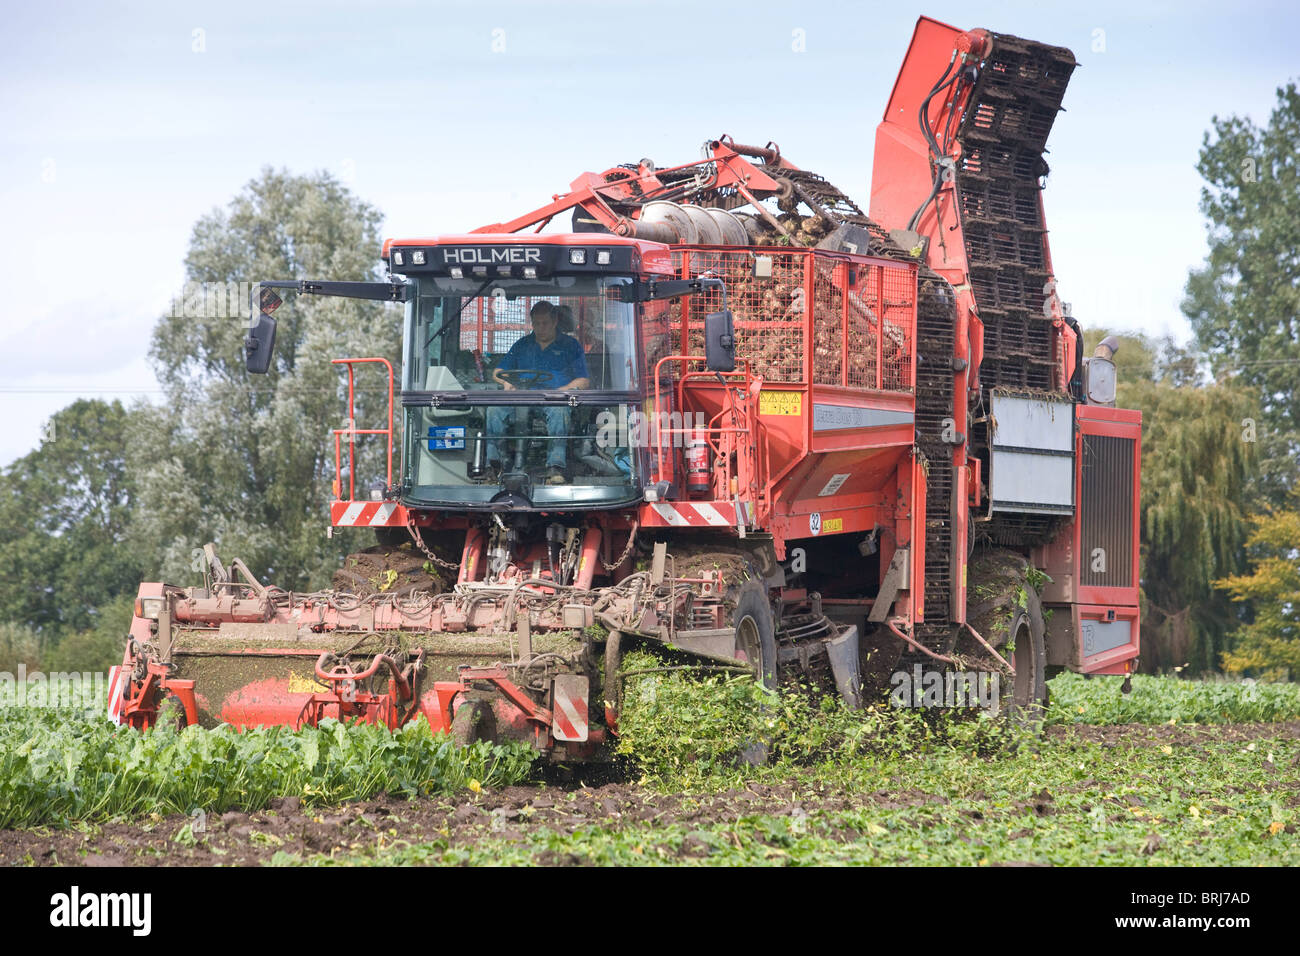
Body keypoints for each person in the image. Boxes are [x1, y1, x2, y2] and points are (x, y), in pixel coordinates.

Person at [486, 301, 590, 483]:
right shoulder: (522, 345)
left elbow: (583, 381)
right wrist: (505, 383)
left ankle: (555, 468)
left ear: (555, 321)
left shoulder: (570, 346)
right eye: (536, 324)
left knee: (560, 411)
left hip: (553, 400)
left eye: (545, 323)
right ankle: (496, 466)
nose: (540, 328)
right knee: (494, 410)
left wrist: (561, 392)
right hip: (521, 398)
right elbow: (497, 372)